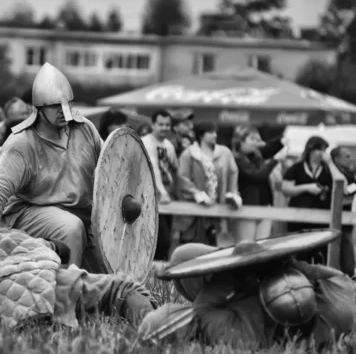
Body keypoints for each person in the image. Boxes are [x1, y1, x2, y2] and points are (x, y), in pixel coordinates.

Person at [0, 62, 107, 273]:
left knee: (108, 274)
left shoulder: (85, 129)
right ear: (39, 109)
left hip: (83, 216)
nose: (63, 110)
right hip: (30, 213)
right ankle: (66, 294)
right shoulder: (21, 142)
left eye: (66, 104)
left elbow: (111, 167)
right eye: (55, 105)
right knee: (71, 227)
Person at [0, 225, 157, 329]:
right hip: (41, 287)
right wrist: (52, 246)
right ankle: (158, 332)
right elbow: (10, 243)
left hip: (5, 319)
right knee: (121, 288)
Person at [142, 236, 356, 350]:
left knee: (183, 256)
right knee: (183, 256)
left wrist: (245, 260)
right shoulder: (212, 323)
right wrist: (246, 264)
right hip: (323, 309)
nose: (169, 307)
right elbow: (310, 272)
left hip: (326, 307)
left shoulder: (208, 317)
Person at [176, 121, 240, 247]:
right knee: (195, 248)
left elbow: (233, 172)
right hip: (196, 211)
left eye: (215, 132)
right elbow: (182, 178)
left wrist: (233, 193)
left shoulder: (225, 152)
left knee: (219, 248)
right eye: (210, 132)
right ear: (201, 135)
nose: (214, 135)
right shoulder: (189, 154)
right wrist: (196, 194)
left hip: (220, 209)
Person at [231, 125, 287, 242]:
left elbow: (268, 148)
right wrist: (276, 160)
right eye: (252, 139)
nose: (256, 143)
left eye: (258, 140)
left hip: (264, 206)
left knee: (262, 247)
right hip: (247, 208)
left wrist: (281, 141)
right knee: (247, 247)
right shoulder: (237, 159)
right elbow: (257, 175)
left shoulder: (256, 155)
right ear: (240, 140)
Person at [281, 136, 332, 264]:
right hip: (298, 216)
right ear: (310, 150)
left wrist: (331, 164)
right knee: (299, 252)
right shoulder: (297, 167)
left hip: (322, 217)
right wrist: (306, 187)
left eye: (325, 150)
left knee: (320, 251)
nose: (323, 153)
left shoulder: (328, 169)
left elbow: (339, 184)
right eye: (320, 150)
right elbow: (286, 189)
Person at [141, 110, 178, 260]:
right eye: (161, 124)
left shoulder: (169, 145)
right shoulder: (146, 142)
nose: (164, 128)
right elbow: (153, 168)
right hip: (150, 200)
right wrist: (162, 192)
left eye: (167, 125)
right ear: (153, 125)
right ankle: (154, 275)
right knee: (161, 240)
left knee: (166, 241)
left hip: (168, 201)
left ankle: (160, 277)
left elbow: (175, 168)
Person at [326, 146, 356, 277]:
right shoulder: (332, 173)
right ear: (336, 159)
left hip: (347, 223)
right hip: (333, 223)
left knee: (348, 262)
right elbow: (344, 191)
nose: (351, 159)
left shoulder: (350, 174)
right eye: (347, 156)